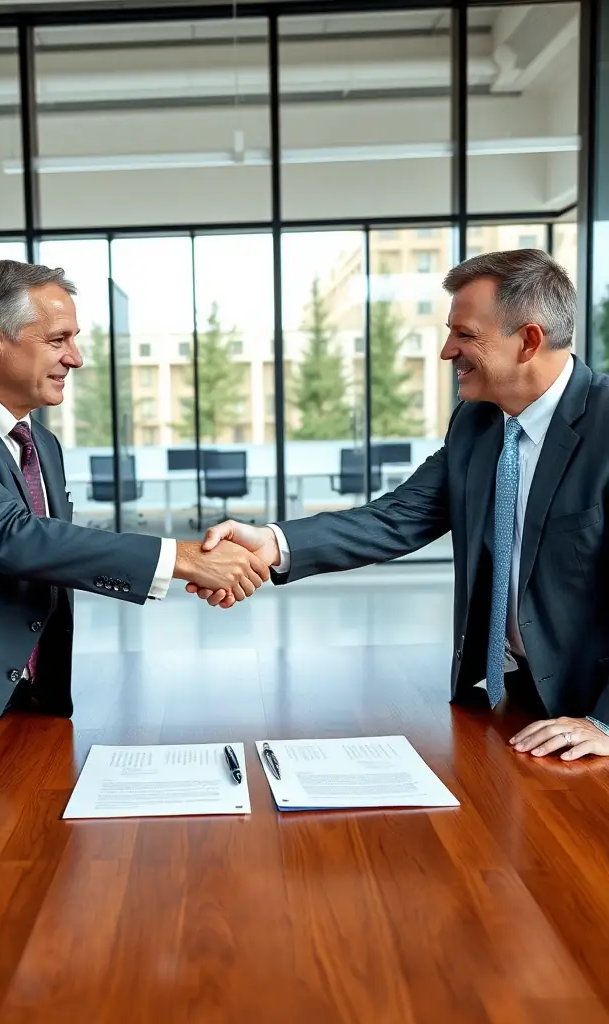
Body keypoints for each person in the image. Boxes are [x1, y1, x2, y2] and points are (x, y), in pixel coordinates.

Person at [0, 260, 269, 845]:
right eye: (58, 340)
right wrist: (184, 558)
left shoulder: (39, 439)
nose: (76, 358)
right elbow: (13, 539)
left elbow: (52, 558)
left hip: (18, 710)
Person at [190, 248, 609, 762]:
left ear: (529, 340)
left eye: (465, 334)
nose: (446, 351)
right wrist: (273, 543)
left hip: (591, 719)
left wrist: (605, 722)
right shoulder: (477, 423)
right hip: (514, 706)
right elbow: (399, 516)